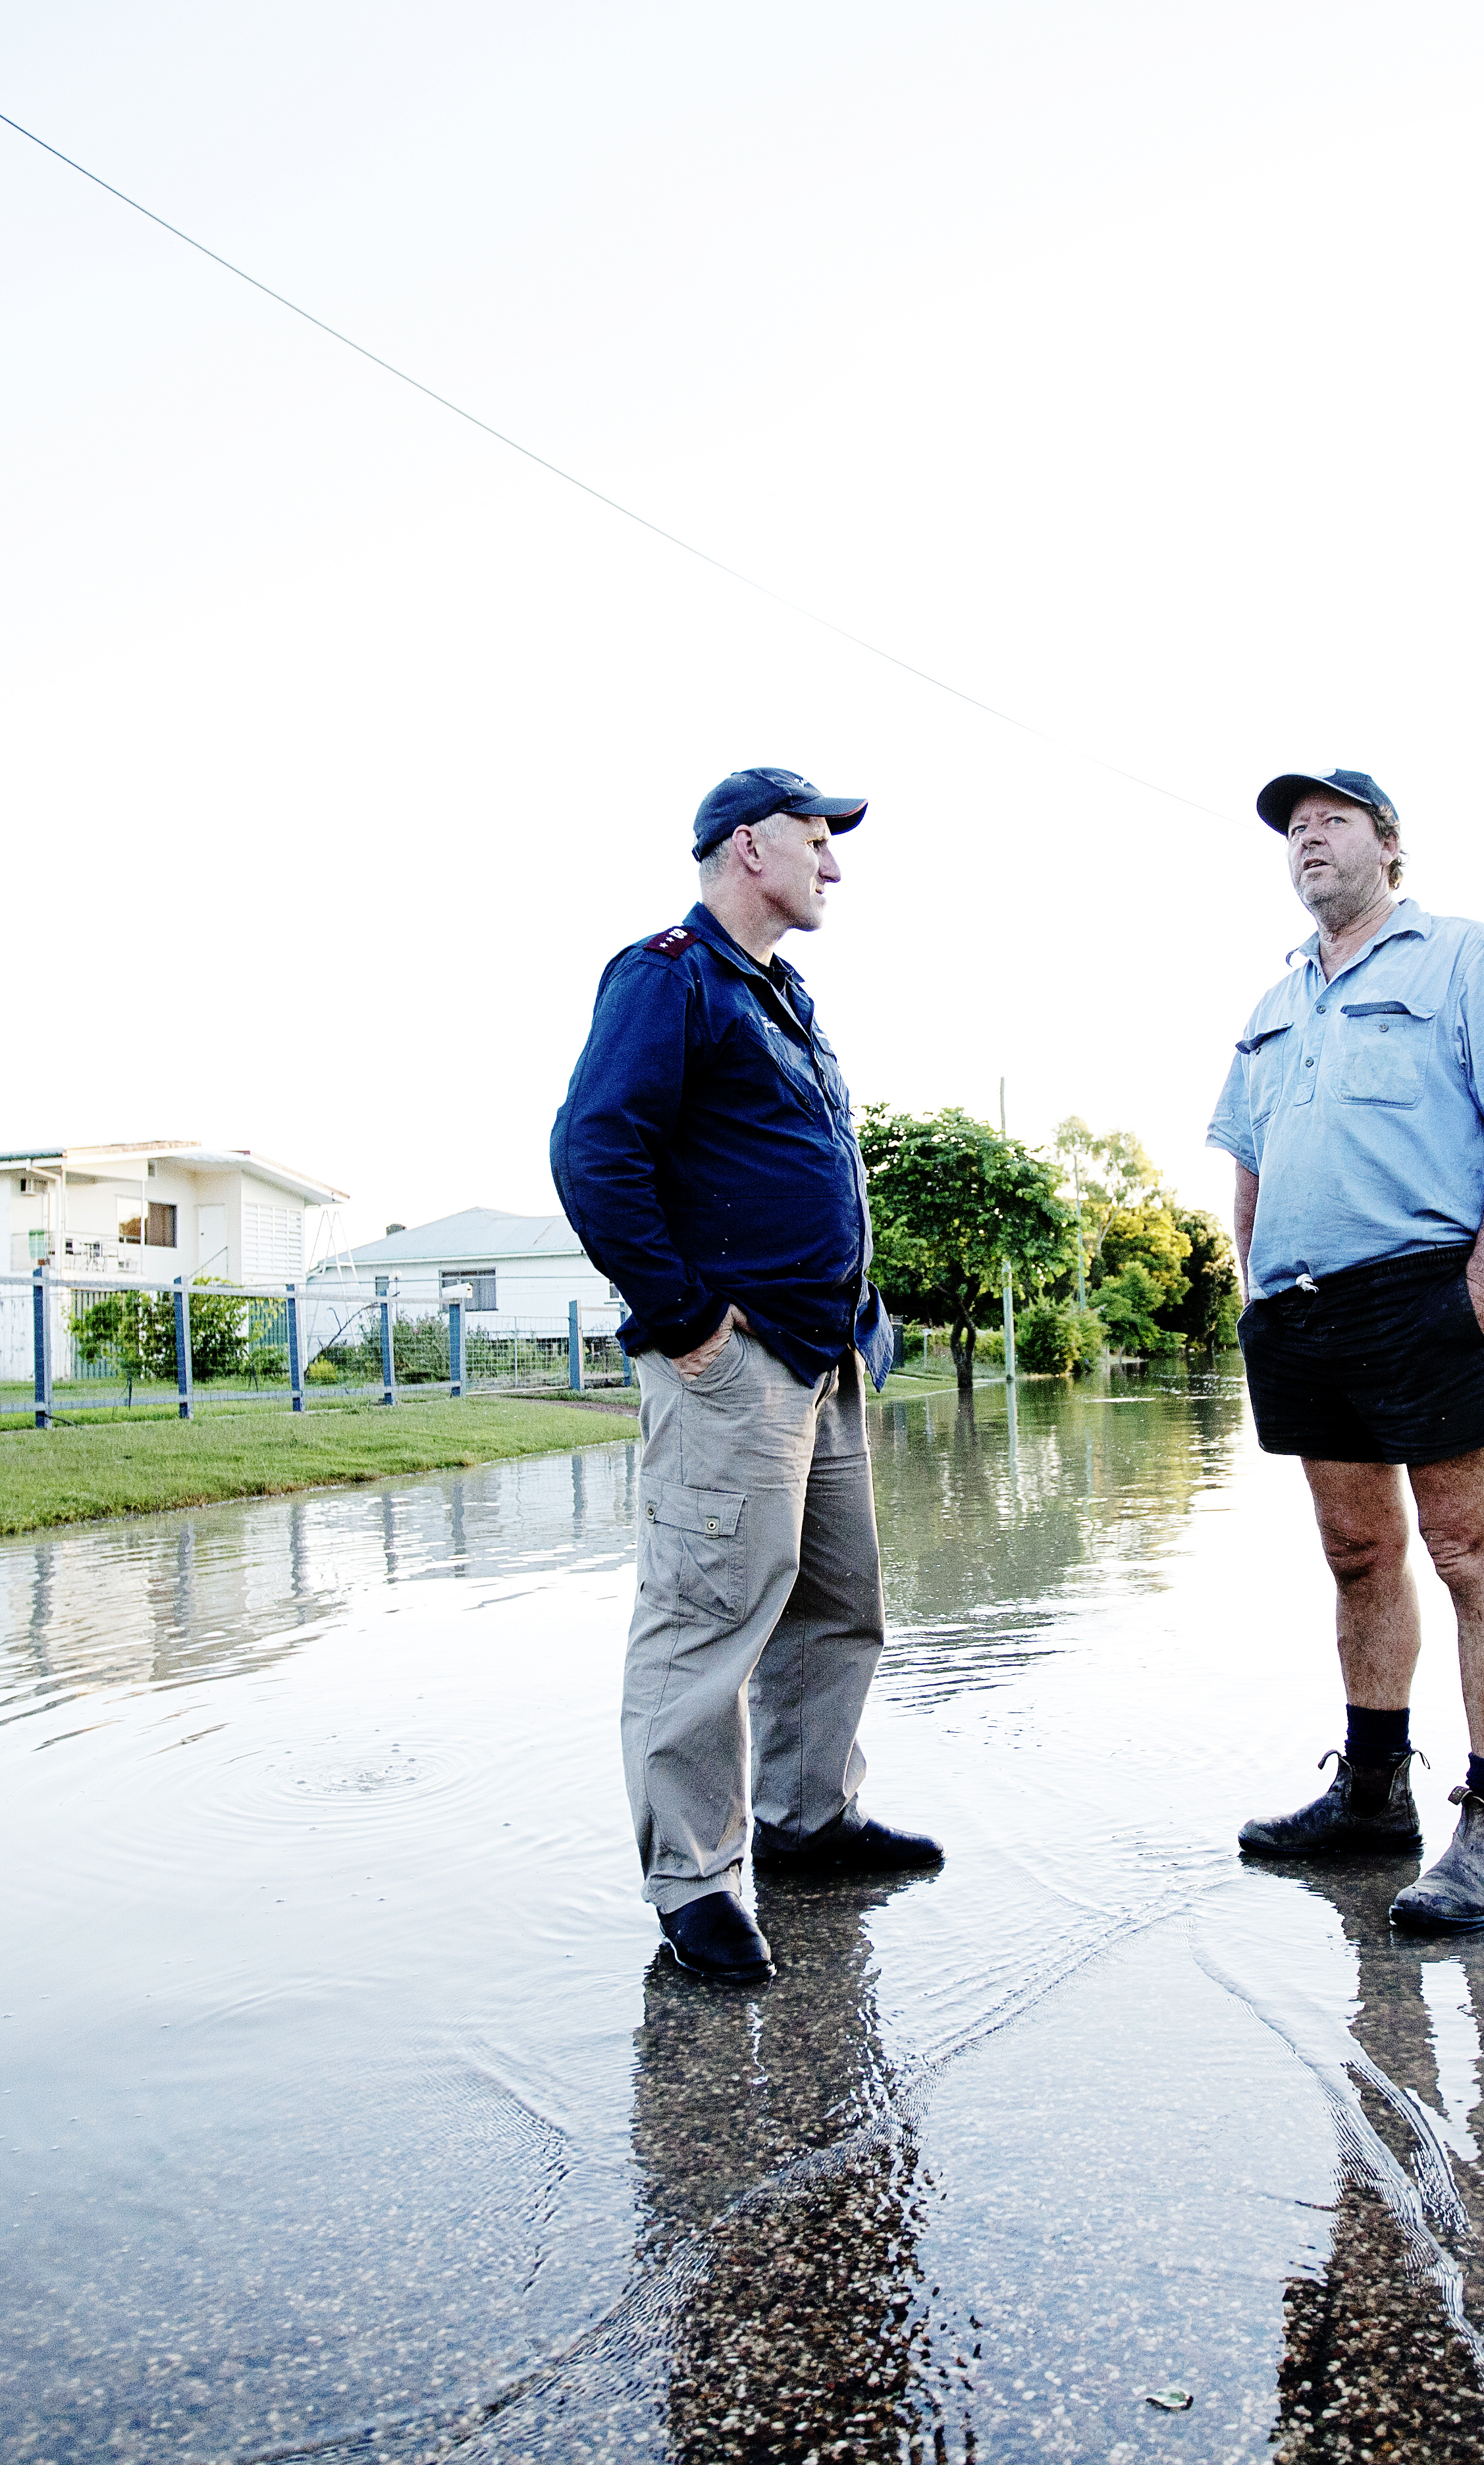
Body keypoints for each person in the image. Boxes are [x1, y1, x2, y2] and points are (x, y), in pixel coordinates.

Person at [552, 766, 941, 1985]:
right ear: (748, 847)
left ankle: (809, 1823)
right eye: (818, 840)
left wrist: (859, 1320)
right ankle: (694, 1882)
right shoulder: (668, 975)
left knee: (837, 1606)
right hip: (737, 1361)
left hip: (823, 1360)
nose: (836, 865)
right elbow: (594, 1150)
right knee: (706, 1618)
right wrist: (687, 1325)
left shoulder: (784, 997)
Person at [1207, 768, 1484, 1933]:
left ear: (1389, 846)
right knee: (1361, 1554)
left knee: (1467, 1549)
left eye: (1333, 823)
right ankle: (1372, 1800)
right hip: (1306, 1310)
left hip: (1429, 1289)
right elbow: (1248, 1151)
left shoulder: (1464, 958)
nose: (1309, 841)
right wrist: (1257, 1281)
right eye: (1295, 831)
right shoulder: (1276, 1002)